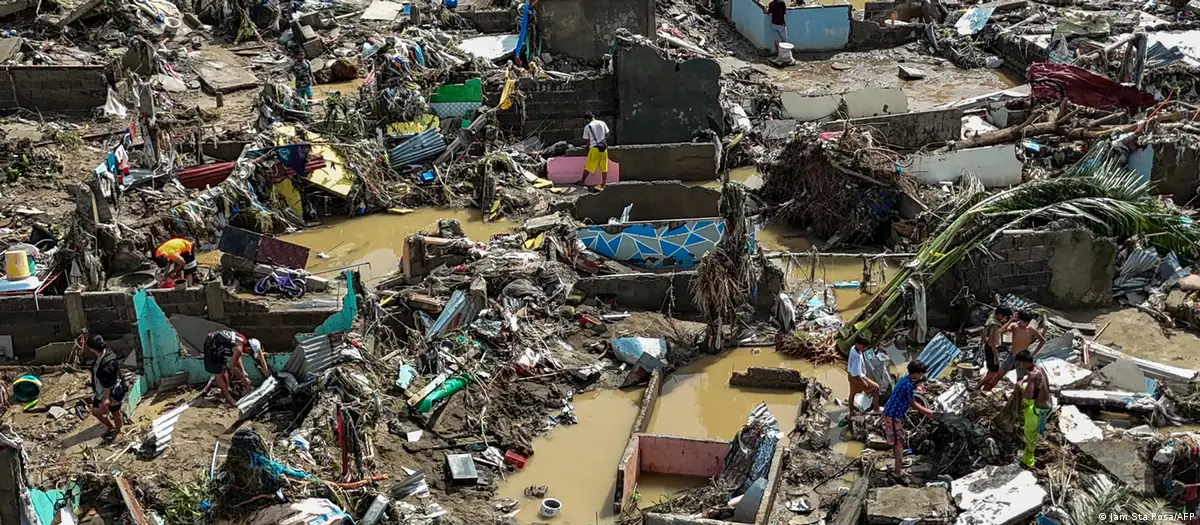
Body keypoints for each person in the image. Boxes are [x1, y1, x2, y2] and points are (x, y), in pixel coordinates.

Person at [881, 360, 935, 478]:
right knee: (898, 443)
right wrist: (929, 413)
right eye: (920, 374)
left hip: (892, 413)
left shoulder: (905, 380)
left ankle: (898, 466)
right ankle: (897, 471)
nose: (921, 376)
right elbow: (914, 404)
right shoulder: (908, 386)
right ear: (915, 373)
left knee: (897, 441)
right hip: (893, 415)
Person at [86, 335, 127, 441]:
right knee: (95, 412)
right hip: (101, 391)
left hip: (112, 394)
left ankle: (118, 431)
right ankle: (110, 427)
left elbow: (107, 385)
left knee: (116, 413)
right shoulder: (104, 354)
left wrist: (106, 399)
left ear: (92, 349)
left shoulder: (106, 365)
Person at [1014, 350, 1051, 468]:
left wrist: (1019, 386)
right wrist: (1026, 380)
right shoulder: (1039, 368)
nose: (1020, 366)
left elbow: (1028, 395)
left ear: (1025, 362)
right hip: (1047, 405)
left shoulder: (1031, 375)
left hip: (1037, 409)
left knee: (1030, 435)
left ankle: (1029, 462)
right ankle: (1028, 456)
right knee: (1032, 432)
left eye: (1020, 363)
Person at [201, 330, 251, 408]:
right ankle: (228, 397)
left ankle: (227, 389)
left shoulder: (242, 339)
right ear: (248, 348)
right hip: (211, 345)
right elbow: (232, 368)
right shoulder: (238, 349)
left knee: (224, 368)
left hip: (219, 344)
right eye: (249, 352)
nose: (248, 354)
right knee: (219, 373)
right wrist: (243, 379)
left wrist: (243, 371)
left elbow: (237, 357)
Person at [978, 306, 1012, 392]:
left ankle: (980, 387)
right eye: (1005, 317)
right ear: (1000, 315)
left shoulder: (992, 317)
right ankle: (981, 388)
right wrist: (996, 358)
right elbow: (994, 344)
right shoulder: (995, 326)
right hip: (991, 348)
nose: (1005, 320)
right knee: (993, 373)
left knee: (991, 371)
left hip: (988, 346)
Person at [846, 335, 880, 417]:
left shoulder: (853, 348)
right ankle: (876, 408)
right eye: (863, 346)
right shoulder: (857, 356)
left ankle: (851, 413)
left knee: (852, 395)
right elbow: (858, 373)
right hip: (857, 377)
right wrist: (865, 382)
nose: (864, 348)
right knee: (876, 388)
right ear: (858, 344)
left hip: (850, 375)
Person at [577, 112, 611, 190]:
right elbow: (607, 134)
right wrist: (602, 141)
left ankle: (582, 181)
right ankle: (603, 184)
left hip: (594, 149)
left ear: (587, 119)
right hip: (603, 148)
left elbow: (587, 139)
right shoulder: (602, 123)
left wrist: (587, 145)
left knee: (589, 166)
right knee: (604, 167)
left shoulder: (587, 127)